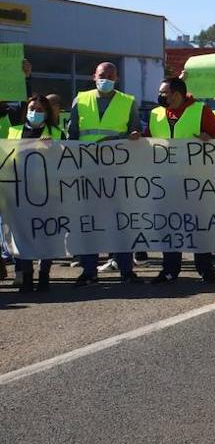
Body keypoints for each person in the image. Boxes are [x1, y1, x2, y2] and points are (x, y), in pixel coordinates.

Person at [68, 61, 143, 285]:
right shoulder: (80, 99)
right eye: (103, 74)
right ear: (94, 76)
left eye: (111, 75)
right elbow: (72, 135)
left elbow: (135, 130)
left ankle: (126, 269)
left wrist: (135, 135)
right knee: (89, 221)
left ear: (117, 78)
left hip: (116, 169)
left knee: (120, 221)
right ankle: (89, 271)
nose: (106, 78)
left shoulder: (127, 101)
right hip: (87, 170)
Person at [148, 77, 215, 285]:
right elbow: (149, 138)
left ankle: (205, 269)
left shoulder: (200, 111)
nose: (160, 96)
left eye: (164, 92)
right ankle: (170, 269)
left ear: (177, 94)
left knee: (198, 226)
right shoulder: (155, 114)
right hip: (165, 181)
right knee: (169, 225)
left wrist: (208, 137)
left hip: (195, 182)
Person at [7, 94, 61, 292]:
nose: (34, 113)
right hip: (19, 193)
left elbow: (65, 161)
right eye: (32, 108)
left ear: (46, 113)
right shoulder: (13, 131)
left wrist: (53, 148)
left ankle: (44, 274)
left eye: (39, 110)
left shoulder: (55, 132)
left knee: (46, 235)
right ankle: (27, 276)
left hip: (47, 194)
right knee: (23, 237)